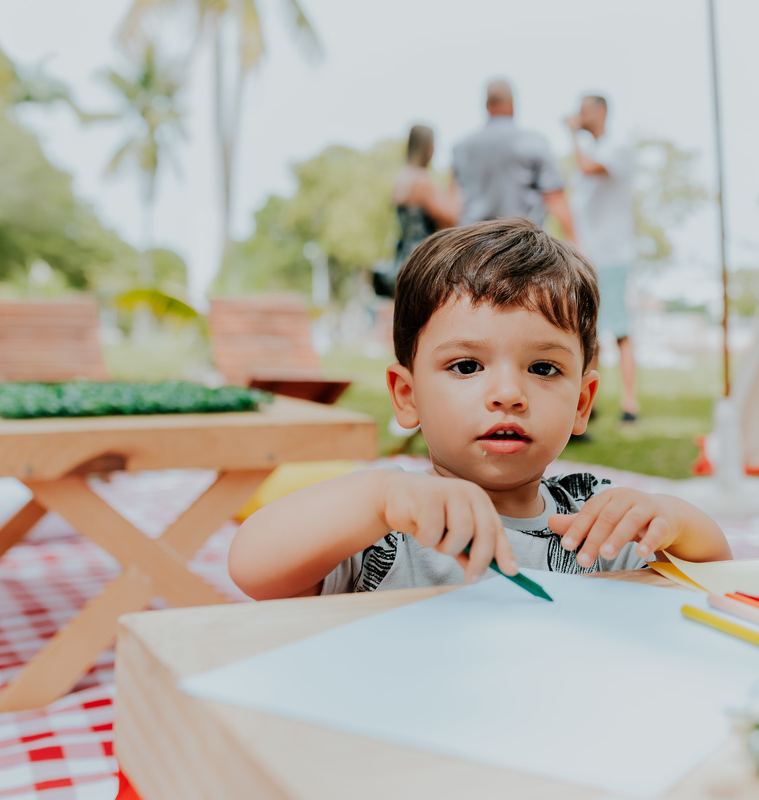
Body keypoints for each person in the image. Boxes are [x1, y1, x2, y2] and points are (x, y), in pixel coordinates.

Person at [228, 219, 732, 599]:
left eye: (543, 369)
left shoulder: (596, 524)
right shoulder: (386, 524)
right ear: (407, 396)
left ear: (582, 403)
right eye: (468, 366)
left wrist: (678, 519)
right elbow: (252, 568)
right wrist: (377, 499)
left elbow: (717, 577)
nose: (508, 394)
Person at [566, 94, 639, 423]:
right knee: (590, 330)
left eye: (584, 111)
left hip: (612, 253)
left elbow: (588, 168)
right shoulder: (594, 149)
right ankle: (589, 404)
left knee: (620, 330)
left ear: (602, 112)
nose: (580, 116)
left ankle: (629, 403)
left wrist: (571, 134)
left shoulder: (616, 147)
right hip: (590, 253)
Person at [453, 80, 578, 244]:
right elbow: (554, 197)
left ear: (486, 105)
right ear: (512, 105)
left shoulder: (462, 147)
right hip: (522, 249)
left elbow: (454, 203)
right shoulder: (533, 141)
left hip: (474, 246)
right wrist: (576, 242)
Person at [375, 124, 461, 298]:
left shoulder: (401, 179)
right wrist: (454, 182)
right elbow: (450, 217)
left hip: (402, 257)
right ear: (428, 148)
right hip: (423, 260)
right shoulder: (422, 180)